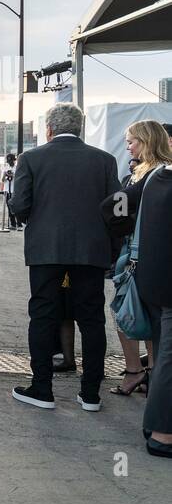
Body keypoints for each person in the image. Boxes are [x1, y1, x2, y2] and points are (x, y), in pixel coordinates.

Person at [9, 103, 120, 411]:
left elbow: (19, 206)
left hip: (46, 250)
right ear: (80, 128)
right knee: (92, 320)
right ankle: (91, 394)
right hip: (91, 251)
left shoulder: (30, 159)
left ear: (49, 129)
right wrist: (111, 248)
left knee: (43, 316)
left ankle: (42, 388)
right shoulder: (105, 160)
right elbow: (117, 211)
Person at [101, 121, 172, 396]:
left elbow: (111, 205)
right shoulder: (156, 171)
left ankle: (136, 371)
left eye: (131, 141)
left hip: (138, 255)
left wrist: (123, 228)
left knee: (124, 311)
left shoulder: (148, 176)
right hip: (154, 255)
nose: (127, 146)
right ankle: (152, 375)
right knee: (154, 318)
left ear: (145, 141)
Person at [134, 161, 172, 457]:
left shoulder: (157, 176)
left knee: (163, 356)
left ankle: (155, 424)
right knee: (168, 360)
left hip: (154, 281)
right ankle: (162, 434)